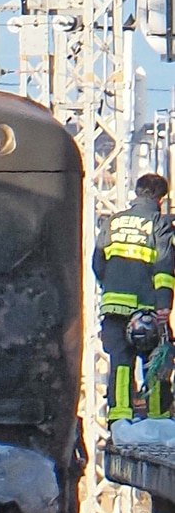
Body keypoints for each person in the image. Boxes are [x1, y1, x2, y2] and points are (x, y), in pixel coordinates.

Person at [93, 173, 175, 425]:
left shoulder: (113, 222)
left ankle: (119, 416)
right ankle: (158, 416)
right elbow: (163, 268)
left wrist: (111, 287)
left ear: (137, 193)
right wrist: (163, 306)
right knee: (157, 359)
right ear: (161, 198)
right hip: (146, 308)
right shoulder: (158, 224)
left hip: (114, 305)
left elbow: (98, 263)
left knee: (120, 359)